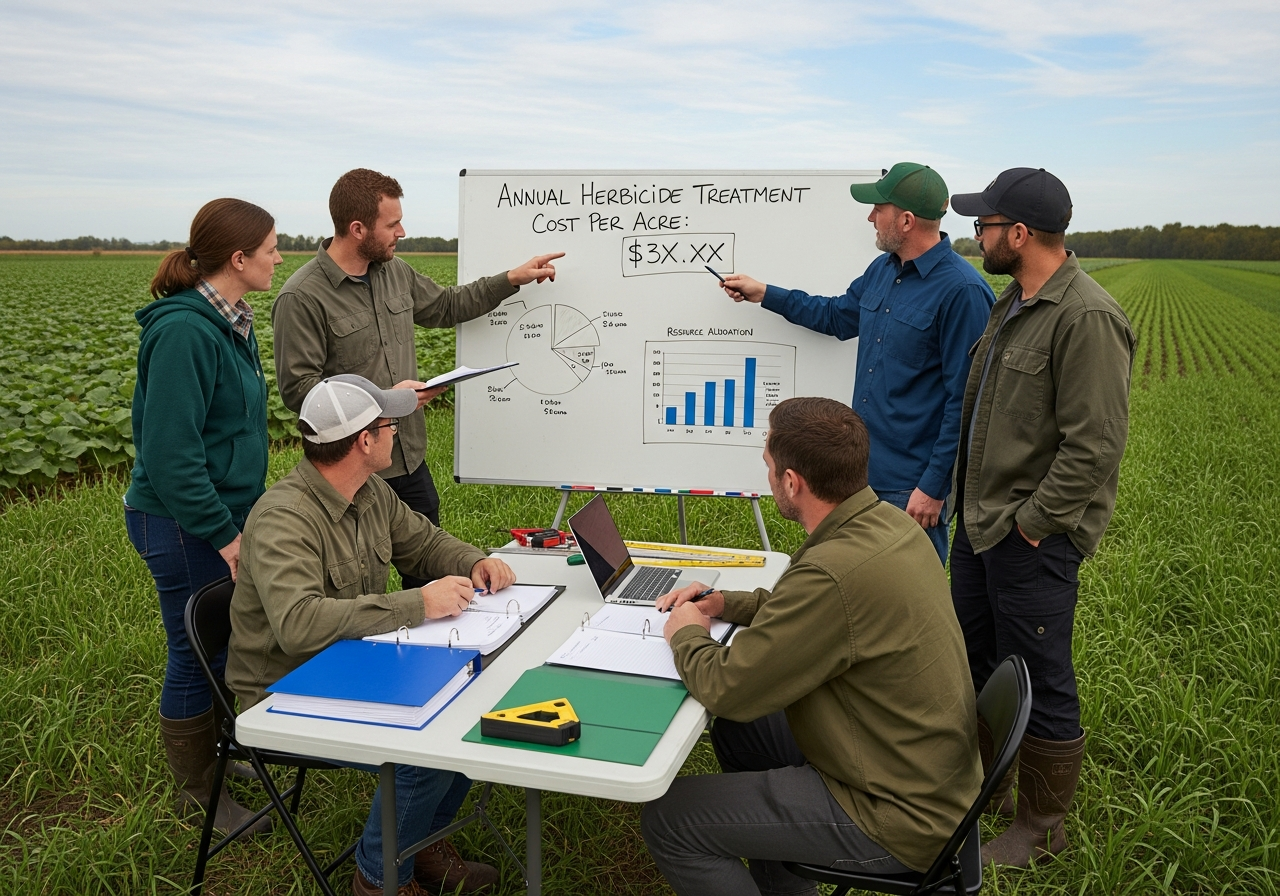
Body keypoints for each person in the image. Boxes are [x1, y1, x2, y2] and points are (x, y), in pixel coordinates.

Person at [642, 397, 982, 896]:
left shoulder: (833, 571)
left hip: (895, 816)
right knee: (743, 728)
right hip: (924, 777)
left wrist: (686, 630)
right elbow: (807, 609)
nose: (767, 474)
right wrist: (721, 603)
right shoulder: (886, 525)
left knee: (671, 820)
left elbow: (726, 686)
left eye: (768, 465)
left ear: (792, 482)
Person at [225, 374, 515, 895]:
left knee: (475, 706)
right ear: (364, 440)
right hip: (285, 686)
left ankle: (420, 840)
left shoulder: (370, 490)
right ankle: (381, 878)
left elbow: (425, 544)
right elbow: (298, 625)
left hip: (356, 663)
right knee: (425, 744)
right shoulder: (282, 519)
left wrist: (476, 560)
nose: (398, 432)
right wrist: (415, 604)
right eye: (390, 424)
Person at [948, 168, 1134, 867]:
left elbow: (1096, 444)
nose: (977, 237)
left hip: (1030, 535)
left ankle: (1042, 829)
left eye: (984, 226)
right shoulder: (1014, 302)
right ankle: (987, 790)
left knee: (1039, 671)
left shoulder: (1086, 317)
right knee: (976, 658)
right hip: (979, 523)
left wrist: (1033, 523)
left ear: (1018, 233)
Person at [271, 168, 561, 589]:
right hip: (352, 468)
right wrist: (385, 400)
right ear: (357, 229)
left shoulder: (396, 273)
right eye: (392, 224)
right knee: (353, 587)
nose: (402, 232)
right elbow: (301, 391)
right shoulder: (302, 297)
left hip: (406, 457)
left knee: (432, 579)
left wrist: (512, 279)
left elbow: (446, 306)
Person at [719, 163, 995, 566]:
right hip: (861, 476)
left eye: (877, 209)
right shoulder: (883, 271)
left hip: (911, 489)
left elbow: (965, 402)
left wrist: (934, 487)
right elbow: (835, 316)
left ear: (905, 220)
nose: (870, 217)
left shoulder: (963, 292)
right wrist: (765, 293)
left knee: (906, 604)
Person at [124, 198, 281, 836]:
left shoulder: (230, 321)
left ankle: (220, 753)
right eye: (271, 247)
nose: (280, 257)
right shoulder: (185, 330)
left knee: (220, 642)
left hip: (219, 512)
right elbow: (169, 454)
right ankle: (199, 793)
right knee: (193, 649)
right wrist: (225, 535)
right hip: (182, 520)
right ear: (238, 258)